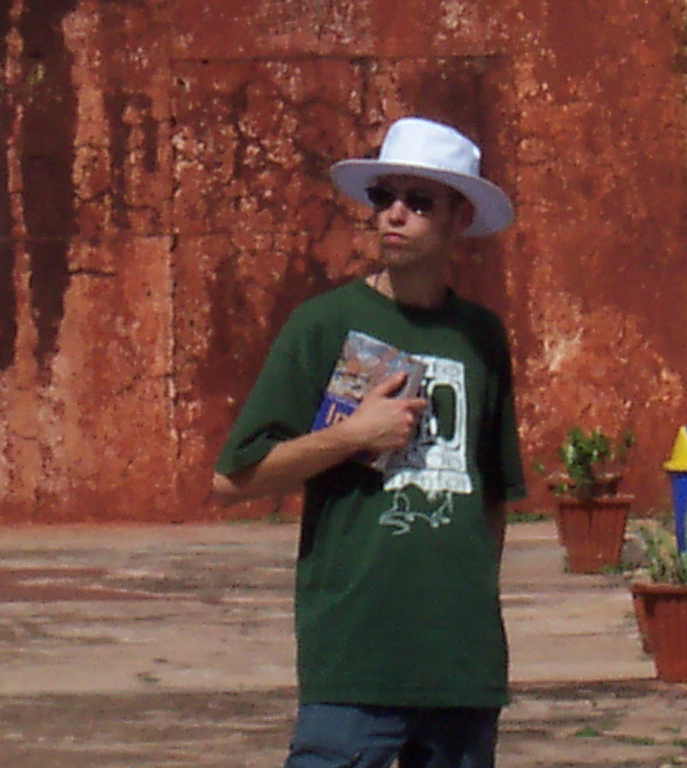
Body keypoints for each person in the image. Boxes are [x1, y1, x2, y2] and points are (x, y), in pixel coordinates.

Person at [211, 116, 526, 768]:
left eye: (419, 202)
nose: (395, 215)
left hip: (459, 668)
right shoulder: (323, 325)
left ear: (458, 218)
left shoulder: (482, 339)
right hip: (355, 660)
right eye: (384, 198)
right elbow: (233, 479)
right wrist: (351, 435)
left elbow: (490, 498)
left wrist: (467, 611)